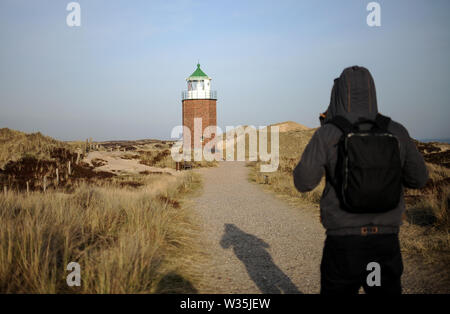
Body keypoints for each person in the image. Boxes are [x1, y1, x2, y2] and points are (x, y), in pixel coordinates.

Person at [293, 66, 428, 294]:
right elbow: (419, 179)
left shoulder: (329, 133)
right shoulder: (396, 131)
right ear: (372, 91)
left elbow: (303, 182)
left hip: (343, 242)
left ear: (337, 94)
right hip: (385, 241)